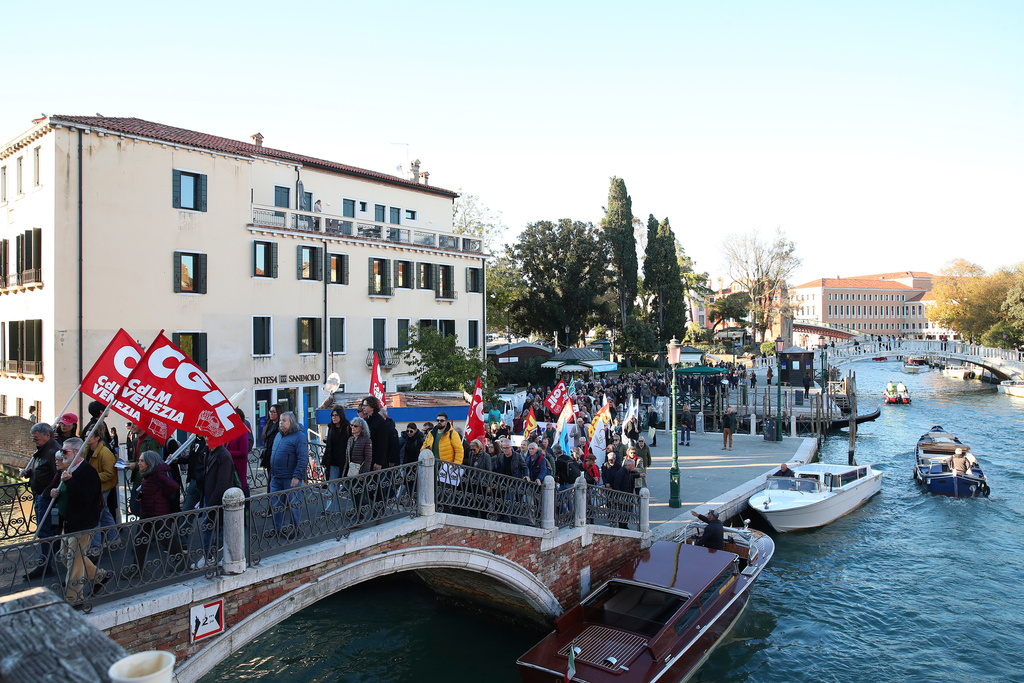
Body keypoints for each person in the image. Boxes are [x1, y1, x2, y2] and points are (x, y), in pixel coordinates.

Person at [50, 438, 110, 605]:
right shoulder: (69, 470)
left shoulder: (87, 472)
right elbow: (66, 493)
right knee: (65, 555)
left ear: (76, 453)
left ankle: (74, 599)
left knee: (74, 561)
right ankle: (99, 576)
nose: (62, 455)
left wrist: (69, 482)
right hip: (69, 522)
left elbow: (85, 498)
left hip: (82, 523)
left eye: (65, 452)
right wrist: (56, 492)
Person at [124, 450, 185, 579]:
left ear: (149, 463)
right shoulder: (149, 474)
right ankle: (137, 568)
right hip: (148, 512)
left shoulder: (158, 474)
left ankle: (181, 560)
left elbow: (174, 486)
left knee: (166, 538)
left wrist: (160, 495)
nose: (139, 463)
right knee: (140, 541)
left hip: (158, 512)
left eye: (142, 461)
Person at [21, 423, 59, 580]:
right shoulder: (44, 450)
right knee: (47, 531)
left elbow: (57, 475)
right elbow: (43, 471)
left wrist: (45, 493)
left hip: (45, 497)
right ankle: (48, 560)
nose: (34, 441)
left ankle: (45, 564)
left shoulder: (52, 452)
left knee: (45, 532)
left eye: (36, 438)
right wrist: (30, 473)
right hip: (41, 495)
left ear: (47, 436)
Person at [269, 411, 308, 539]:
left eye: (284, 420)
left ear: (291, 422)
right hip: (276, 476)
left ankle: (294, 529)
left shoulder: (299, 436)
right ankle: (278, 528)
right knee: (276, 504)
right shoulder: (279, 435)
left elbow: (303, 458)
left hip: (290, 477)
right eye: (280, 420)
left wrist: (297, 476)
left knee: (294, 505)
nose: (281, 422)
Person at [83, 429, 118, 549]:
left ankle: (95, 546)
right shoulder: (87, 449)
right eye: (86, 435)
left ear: (97, 438)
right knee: (104, 514)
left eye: (89, 436)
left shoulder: (105, 453)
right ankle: (114, 538)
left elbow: (110, 473)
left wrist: (91, 477)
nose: (86, 438)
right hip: (94, 487)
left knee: (96, 516)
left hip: (102, 488)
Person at [359, 396, 389, 471]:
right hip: (365, 458)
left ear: (372, 406)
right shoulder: (365, 420)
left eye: (365, 405)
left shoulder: (380, 421)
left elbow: (382, 443)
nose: (363, 407)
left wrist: (379, 462)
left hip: (374, 459)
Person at [612, 459, 638, 529]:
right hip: (623, 496)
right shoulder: (621, 472)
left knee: (628, 511)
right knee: (623, 511)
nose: (634, 467)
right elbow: (616, 485)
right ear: (628, 465)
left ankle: (625, 524)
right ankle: (622, 525)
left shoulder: (629, 472)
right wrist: (620, 496)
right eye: (633, 465)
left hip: (628, 494)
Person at [260, 404, 282, 475]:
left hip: (275, 455)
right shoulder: (268, 424)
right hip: (268, 455)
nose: (271, 414)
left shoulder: (280, 426)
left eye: (273, 412)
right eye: (270, 412)